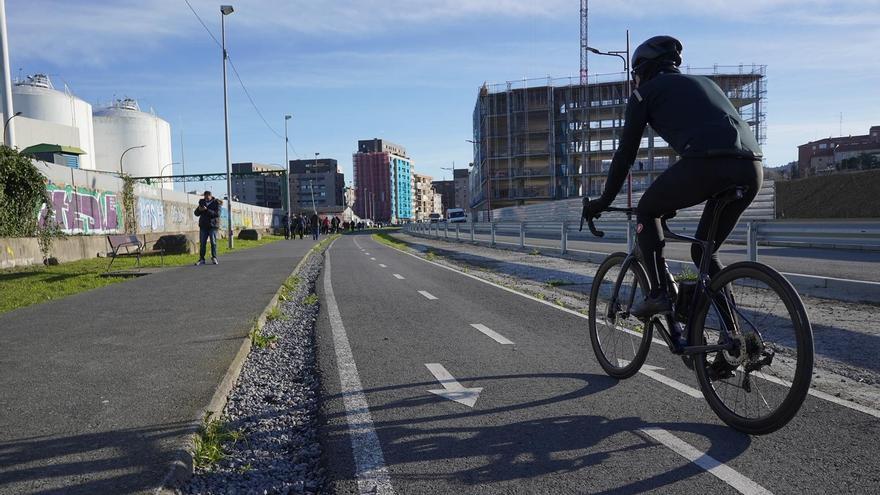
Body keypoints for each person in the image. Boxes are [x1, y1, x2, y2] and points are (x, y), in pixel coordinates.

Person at [583, 35, 763, 326]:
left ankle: (659, 293)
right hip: (752, 167)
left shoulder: (645, 94)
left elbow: (625, 155)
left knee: (647, 210)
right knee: (704, 250)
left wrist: (603, 201)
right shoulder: (707, 83)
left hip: (708, 163)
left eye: (635, 76)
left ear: (642, 71)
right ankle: (735, 339)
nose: (635, 83)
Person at [194, 190, 222, 265]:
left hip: (213, 226)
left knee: (213, 242)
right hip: (203, 226)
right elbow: (196, 213)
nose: (206, 198)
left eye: (207, 197)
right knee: (202, 243)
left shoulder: (216, 203)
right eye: (205, 196)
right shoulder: (201, 203)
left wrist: (207, 210)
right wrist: (199, 210)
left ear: (211, 196)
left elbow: (217, 214)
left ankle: (214, 257)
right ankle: (202, 259)